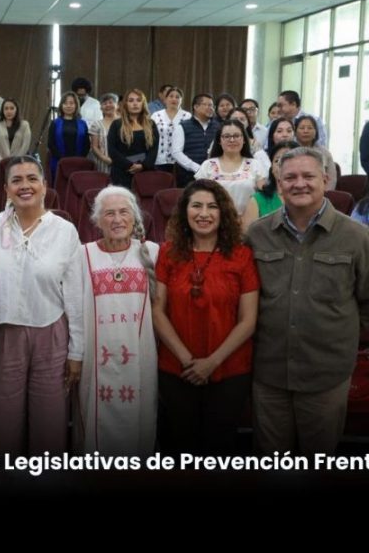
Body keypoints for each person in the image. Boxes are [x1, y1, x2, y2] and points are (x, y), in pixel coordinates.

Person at [246, 147, 369, 455]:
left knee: (318, 462)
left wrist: (341, 340)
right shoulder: (257, 234)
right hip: (268, 373)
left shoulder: (357, 237)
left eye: (308, 176)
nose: (299, 183)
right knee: (272, 461)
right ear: (279, 182)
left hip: (326, 376)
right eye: (290, 177)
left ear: (325, 180)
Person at [0, 155, 83, 455]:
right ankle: (4, 478)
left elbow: (75, 294)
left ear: (45, 185)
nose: (25, 186)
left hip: (51, 333)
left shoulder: (64, 230)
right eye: (16, 180)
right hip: (2, 334)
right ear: (6, 189)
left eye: (32, 179)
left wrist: (77, 351)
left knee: (50, 422)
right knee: (2, 422)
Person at [153, 179, 259, 454]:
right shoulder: (167, 253)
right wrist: (188, 361)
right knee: (179, 447)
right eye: (196, 206)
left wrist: (212, 362)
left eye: (212, 207)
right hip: (176, 368)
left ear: (223, 213)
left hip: (229, 368)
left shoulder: (242, 255)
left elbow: (248, 320)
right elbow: (157, 311)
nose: (204, 213)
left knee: (219, 448)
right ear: (184, 211)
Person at [75, 186, 158, 456]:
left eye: (124, 212)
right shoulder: (82, 254)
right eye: (109, 214)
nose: (117, 219)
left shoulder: (152, 252)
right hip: (95, 357)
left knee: (141, 419)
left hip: (141, 353)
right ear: (98, 221)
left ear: (135, 218)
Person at [194, 120, 261, 217]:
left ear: (244, 139)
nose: (232, 140)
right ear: (219, 141)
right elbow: (198, 196)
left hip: (248, 220)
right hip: (214, 220)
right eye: (226, 136)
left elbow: (264, 195)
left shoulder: (254, 164)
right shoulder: (208, 165)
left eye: (236, 136)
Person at [241, 140, 299, 231]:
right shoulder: (258, 200)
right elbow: (246, 235)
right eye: (277, 161)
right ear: (272, 169)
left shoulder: (309, 197)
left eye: (289, 160)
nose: (282, 165)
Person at [107, 88, 158, 189]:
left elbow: (154, 149)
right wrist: (130, 165)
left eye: (138, 100)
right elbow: (112, 150)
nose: (135, 103)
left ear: (143, 104)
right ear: (125, 104)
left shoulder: (151, 124)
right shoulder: (116, 124)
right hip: (121, 172)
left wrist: (143, 166)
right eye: (131, 100)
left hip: (145, 171)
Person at [47, 91, 89, 181]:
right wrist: (63, 160)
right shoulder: (55, 123)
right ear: (61, 105)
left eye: (71, 103)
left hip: (78, 164)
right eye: (65, 103)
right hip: (59, 163)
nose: (68, 106)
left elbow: (87, 145)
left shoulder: (83, 124)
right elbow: (51, 143)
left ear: (76, 105)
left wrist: (78, 160)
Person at [151, 86, 191, 174]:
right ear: (165, 99)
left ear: (181, 100)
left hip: (181, 161)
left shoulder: (187, 116)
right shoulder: (156, 115)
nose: (174, 99)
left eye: (177, 97)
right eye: (171, 96)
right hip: (159, 160)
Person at [0, 98, 31, 177]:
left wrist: (15, 162)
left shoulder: (24, 125)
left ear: (16, 110)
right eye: (6, 108)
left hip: (19, 165)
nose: (9, 111)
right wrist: (2, 162)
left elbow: (25, 145)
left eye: (12, 108)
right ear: (2, 110)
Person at [88, 92, 119, 173]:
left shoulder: (125, 122)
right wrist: (106, 159)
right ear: (101, 108)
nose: (108, 105)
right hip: (103, 164)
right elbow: (94, 147)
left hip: (123, 163)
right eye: (104, 104)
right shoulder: (96, 124)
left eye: (111, 102)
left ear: (117, 105)